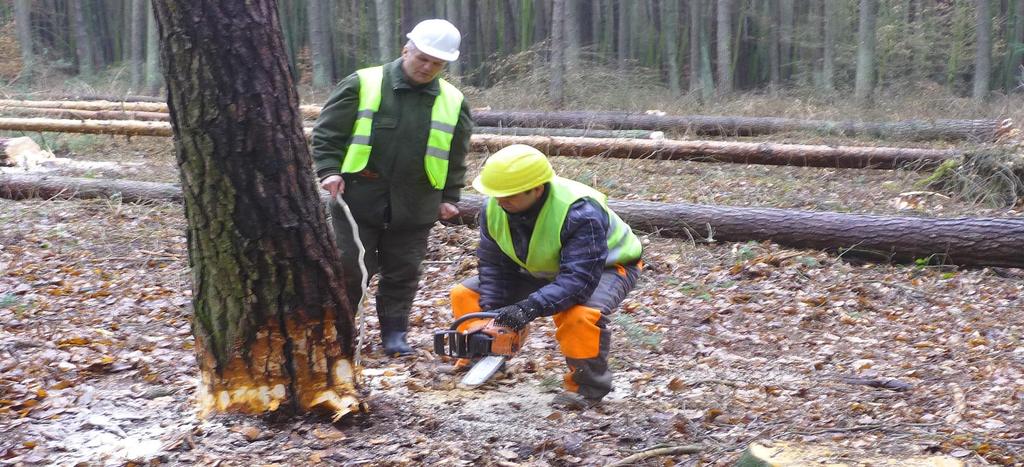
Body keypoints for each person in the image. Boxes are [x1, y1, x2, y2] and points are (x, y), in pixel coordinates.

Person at [312, 19, 473, 357]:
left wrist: (450, 197)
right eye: (422, 58)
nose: (428, 67)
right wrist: (328, 171)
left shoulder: (453, 101)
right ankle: (339, 331)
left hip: (417, 203)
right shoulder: (363, 83)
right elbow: (328, 133)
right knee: (350, 267)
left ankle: (394, 335)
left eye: (437, 63)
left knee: (404, 270)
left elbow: (456, 155)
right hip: (357, 198)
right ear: (406, 50)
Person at [449, 144, 643, 409]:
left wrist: (524, 310)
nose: (500, 201)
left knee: (579, 316)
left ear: (537, 189)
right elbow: (494, 264)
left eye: (509, 195)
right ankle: (483, 354)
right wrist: (493, 313)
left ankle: (586, 389)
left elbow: (577, 282)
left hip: (607, 266)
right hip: (540, 266)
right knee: (466, 295)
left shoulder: (579, 211)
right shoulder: (494, 208)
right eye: (496, 195)